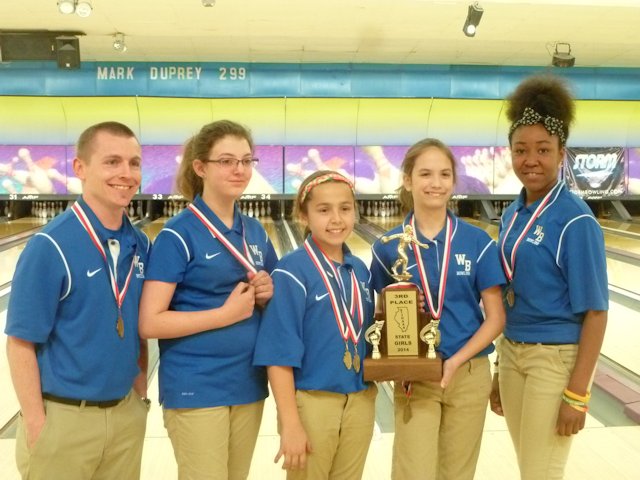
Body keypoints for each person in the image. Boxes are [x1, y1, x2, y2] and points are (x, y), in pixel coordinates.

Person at [5, 121, 151, 479]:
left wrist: (139, 396)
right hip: (63, 420)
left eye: (134, 163)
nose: (126, 173)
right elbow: (20, 343)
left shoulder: (141, 245)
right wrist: (39, 424)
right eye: (112, 162)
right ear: (80, 169)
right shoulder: (49, 247)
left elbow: (139, 327)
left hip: (124, 418)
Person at [139, 120, 277, 480]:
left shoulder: (256, 231)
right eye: (227, 161)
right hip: (196, 386)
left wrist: (267, 294)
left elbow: (275, 303)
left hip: (248, 384)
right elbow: (150, 321)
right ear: (200, 167)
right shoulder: (178, 235)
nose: (240, 170)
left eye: (247, 161)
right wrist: (226, 314)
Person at [490, 75, 608, 479]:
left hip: (553, 361)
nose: (530, 159)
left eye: (543, 149)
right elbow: (508, 294)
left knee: (541, 472)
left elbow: (595, 312)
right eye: (521, 150)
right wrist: (496, 369)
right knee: (529, 468)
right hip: (512, 355)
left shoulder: (576, 221)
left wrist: (577, 393)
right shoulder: (511, 213)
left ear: (561, 153)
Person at [370, 138, 506, 480]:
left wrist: (457, 361)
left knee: (458, 474)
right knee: (412, 472)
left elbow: (496, 318)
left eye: (445, 174)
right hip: (416, 376)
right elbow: (377, 318)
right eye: (426, 174)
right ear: (407, 180)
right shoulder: (387, 248)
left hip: (469, 372)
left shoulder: (478, 243)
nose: (436, 183)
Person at [254, 170, 377, 479]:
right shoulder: (291, 272)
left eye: (345, 208)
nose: (336, 218)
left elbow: (364, 333)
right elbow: (278, 355)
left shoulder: (360, 270)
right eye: (324, 210)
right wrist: (291, 423)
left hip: (360, 400)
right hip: (313, 403)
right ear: (303, 215)